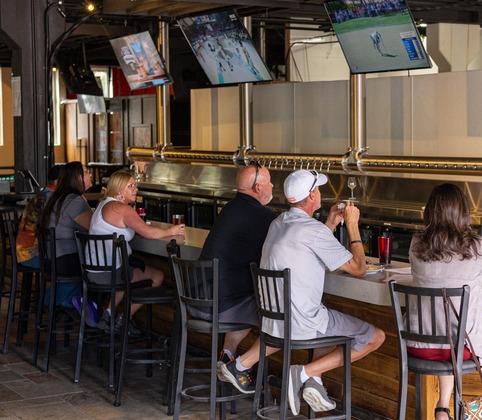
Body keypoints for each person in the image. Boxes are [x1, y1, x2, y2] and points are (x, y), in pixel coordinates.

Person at [218, 169, 385, 416]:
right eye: (317, 189)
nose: (320, 193)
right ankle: (307, 372)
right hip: (303, 323)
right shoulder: (312, 231)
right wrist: (352, 226)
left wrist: (329, 223)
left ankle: (259, 369)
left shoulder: (278, 223)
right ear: (310, 198)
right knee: (375, 337)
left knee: (326, 315)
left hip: (276, 322)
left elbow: (308, 244)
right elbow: (359, 269)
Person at [407, 183, 482, 420]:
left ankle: (442, 408)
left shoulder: (416, 244)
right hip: (461, 349)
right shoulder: (476, 245)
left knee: (449, 331)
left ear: (430, 211)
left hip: (418, 346)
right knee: (454, 337)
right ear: (463, 212)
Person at [195, 162, 276, 373]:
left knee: (249, 298)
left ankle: (228, 355)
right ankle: (241, 368)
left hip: (196, 302)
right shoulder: (261, 216)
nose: (273, 186)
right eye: (269, 182)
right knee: (275, 312)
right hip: (219, 308)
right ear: (258, 188)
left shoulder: (229, 208)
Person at [88, 170, 184, 337]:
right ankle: (124, 319)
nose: (135, 189)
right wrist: (172, 230)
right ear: (119, 190)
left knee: (128, 270)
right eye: (130, 186)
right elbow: (150, 233)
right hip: (112, 275)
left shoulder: (103, 204)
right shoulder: (122, 208)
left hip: (95, 273)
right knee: (157, 276)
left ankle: (108, 315)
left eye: (135, 185)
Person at [39, 162, 93, 313]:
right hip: (65, 259)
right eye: (86, 172)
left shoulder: (60, 197)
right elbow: (95, 228)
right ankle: (88, 311)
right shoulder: (74, 200)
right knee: (102, 272)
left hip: (54, 258)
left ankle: (74, 303)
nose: (90, 174)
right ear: (76, 178)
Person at [16, 164, 61, 269]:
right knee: (73, 263)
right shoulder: (51, 198)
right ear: (56, 182)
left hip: (24, 252)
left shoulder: (44, 194)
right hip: (32, 255)